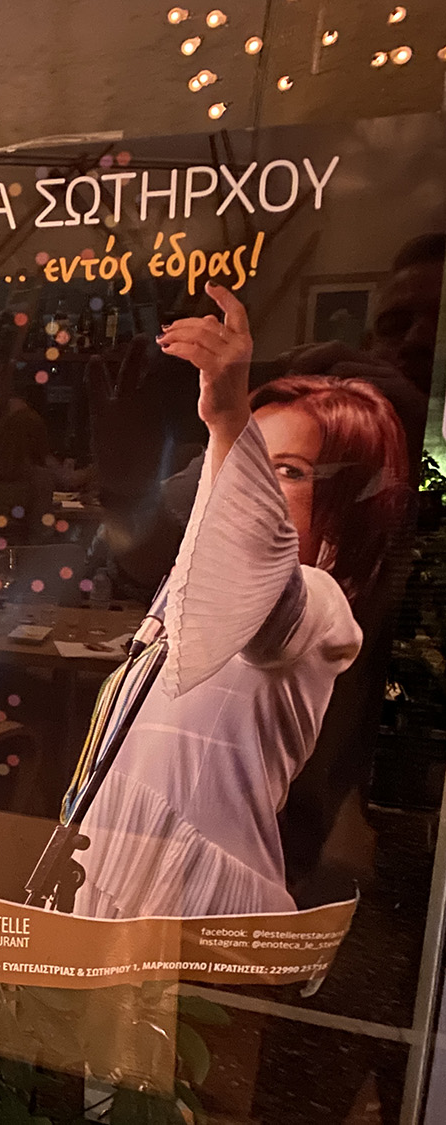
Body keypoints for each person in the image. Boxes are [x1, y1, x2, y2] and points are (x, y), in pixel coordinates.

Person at [72, 283, 410, 919]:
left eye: (286, 469)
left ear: (349, 511)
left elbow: (254, 568)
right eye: (249, 459)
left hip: (191, 903)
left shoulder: (318, 608)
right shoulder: (191, 585)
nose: (243, 478)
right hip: (122, 874)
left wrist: (230, 419)